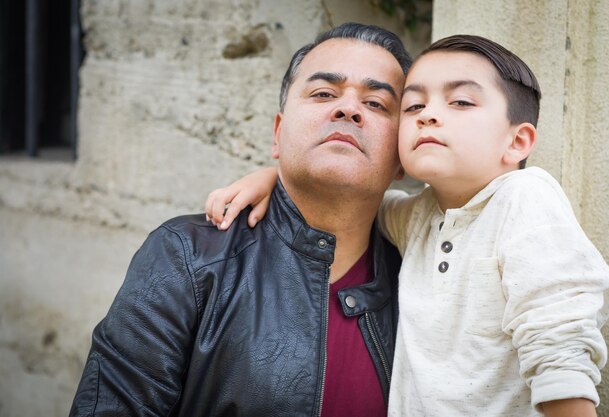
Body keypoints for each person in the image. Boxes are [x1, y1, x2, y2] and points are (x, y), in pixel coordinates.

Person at [204, 35, 609, 417]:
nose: (429, 116)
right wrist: (276, 174)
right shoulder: (416, 218)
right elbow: (346, 191)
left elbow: (560, 347)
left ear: (517, 142)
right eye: (414, 106)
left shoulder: (525, 198)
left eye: (460, 102)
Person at [69, 23, 412, 417]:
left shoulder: (420, 274)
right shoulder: (187, 257)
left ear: (402, 157)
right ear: (278, 134)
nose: (348, 108)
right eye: (323, 93)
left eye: (376, 104)